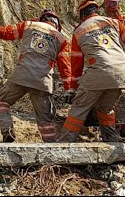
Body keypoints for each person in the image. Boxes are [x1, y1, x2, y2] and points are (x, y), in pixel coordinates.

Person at [57, 0, 125, 143]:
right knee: (106, 108)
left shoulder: (79, 31)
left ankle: (65, 143)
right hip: (121, 73)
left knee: (79, 107)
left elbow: (76, 64)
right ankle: (111, 140)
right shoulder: (113, 22)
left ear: (82, 15)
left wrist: (72, 89)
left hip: (98, 72)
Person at [0, 9, 72, 142]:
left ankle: (7, 129)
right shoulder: (61, 39)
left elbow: (5, 33)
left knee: (2, 101)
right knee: (46, 121)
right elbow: (65, 67)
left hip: (21, 76)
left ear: (42, 19)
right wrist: (69, 89)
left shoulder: (28, 25)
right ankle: (51, 149)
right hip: (42, 82)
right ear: (57, 25)